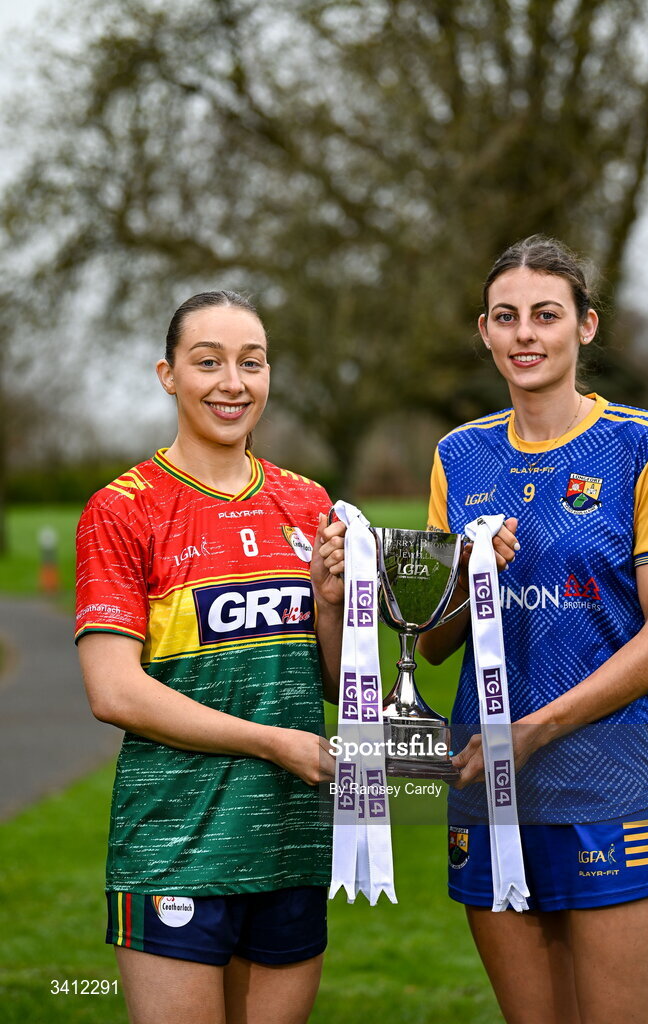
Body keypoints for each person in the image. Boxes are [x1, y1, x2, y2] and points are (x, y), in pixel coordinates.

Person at [419, 235, 648, 1024]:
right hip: (487, 784)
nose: (524, 335)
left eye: (546, 314)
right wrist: (470, 573)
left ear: (584, 326)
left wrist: (534, 729)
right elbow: (435, 641)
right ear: (483, 331)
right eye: (505, 317)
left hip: (609, 783)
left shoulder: (645, 444)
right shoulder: (458, 455)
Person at [75, 290, 346, 1024]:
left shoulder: (307, 502)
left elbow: (331, 683)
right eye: (208, 362)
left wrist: (327, 601)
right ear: (168, 374)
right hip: (174, 848)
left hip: (289, 844)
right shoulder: (123, 508)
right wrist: (270, 743)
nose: (233, 382)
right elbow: (114, 692)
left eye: (250, 363)